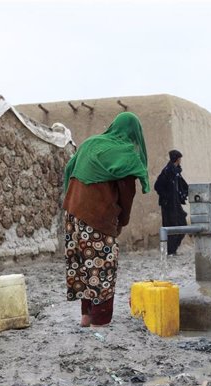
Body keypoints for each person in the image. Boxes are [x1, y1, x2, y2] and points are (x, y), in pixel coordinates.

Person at [62, 112, 149, 327]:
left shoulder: (90, 144)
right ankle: (99, 320)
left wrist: (73, 203)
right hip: (97, 217)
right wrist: (121, 222)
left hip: (72, 214)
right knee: (102, 267)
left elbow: (68, 170)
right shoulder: (126, 155)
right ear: (134, 132)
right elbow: (127, 196)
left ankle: (86, 315)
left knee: (83, 264)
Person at [153, 149, 189, 255]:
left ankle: (172, 250)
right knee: (172, 226)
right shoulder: (167, 171)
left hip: (176, 203)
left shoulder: (176, 171)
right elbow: (158, 186)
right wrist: (167, 197)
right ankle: (170, 251)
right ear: (177, 159)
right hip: (169, 205)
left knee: (182, 225)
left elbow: (182, 185)